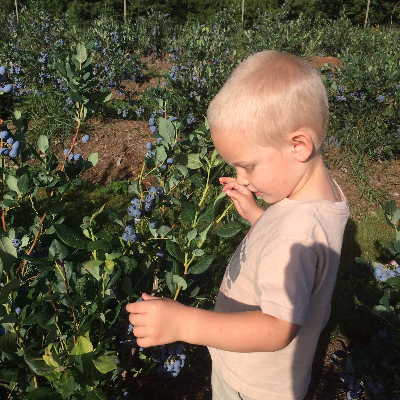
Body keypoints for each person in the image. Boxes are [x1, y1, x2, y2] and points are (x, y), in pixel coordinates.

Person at [126, 50, 350, 400]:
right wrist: (258, 216)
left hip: (252, 385)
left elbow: (278, 327)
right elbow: (299, 249)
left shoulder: (297, 232)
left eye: (248, 166)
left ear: (299, 145)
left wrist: (183, 323)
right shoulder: (319, 198)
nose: (242, 179)